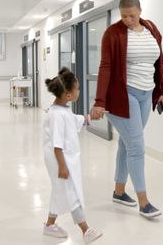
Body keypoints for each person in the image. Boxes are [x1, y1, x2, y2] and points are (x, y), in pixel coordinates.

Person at [90, 0, 163, 219]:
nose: (127, 19)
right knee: (137, 147)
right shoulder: (112, 33)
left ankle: (119, 191)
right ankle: (144, 203)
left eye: (131, 15)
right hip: (123, 96)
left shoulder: (151, 29)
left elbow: (160, 61)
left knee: (127, 145)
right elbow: (105, 66)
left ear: (140, 11)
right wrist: (99, 102)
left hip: (146, 94)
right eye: (123, 16)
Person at [42, 68, 102, 243]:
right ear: (68, 95)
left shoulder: (62, 110)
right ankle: (86, 230)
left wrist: (89, 117)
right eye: (77, 88)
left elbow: (75, 119)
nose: (79, 91)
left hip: (64, 158)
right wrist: (62, 166)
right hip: (59, 160)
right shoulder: (56, 116)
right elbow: (57, 144)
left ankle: (49, 225)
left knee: (59, 190)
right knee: (71, 193)